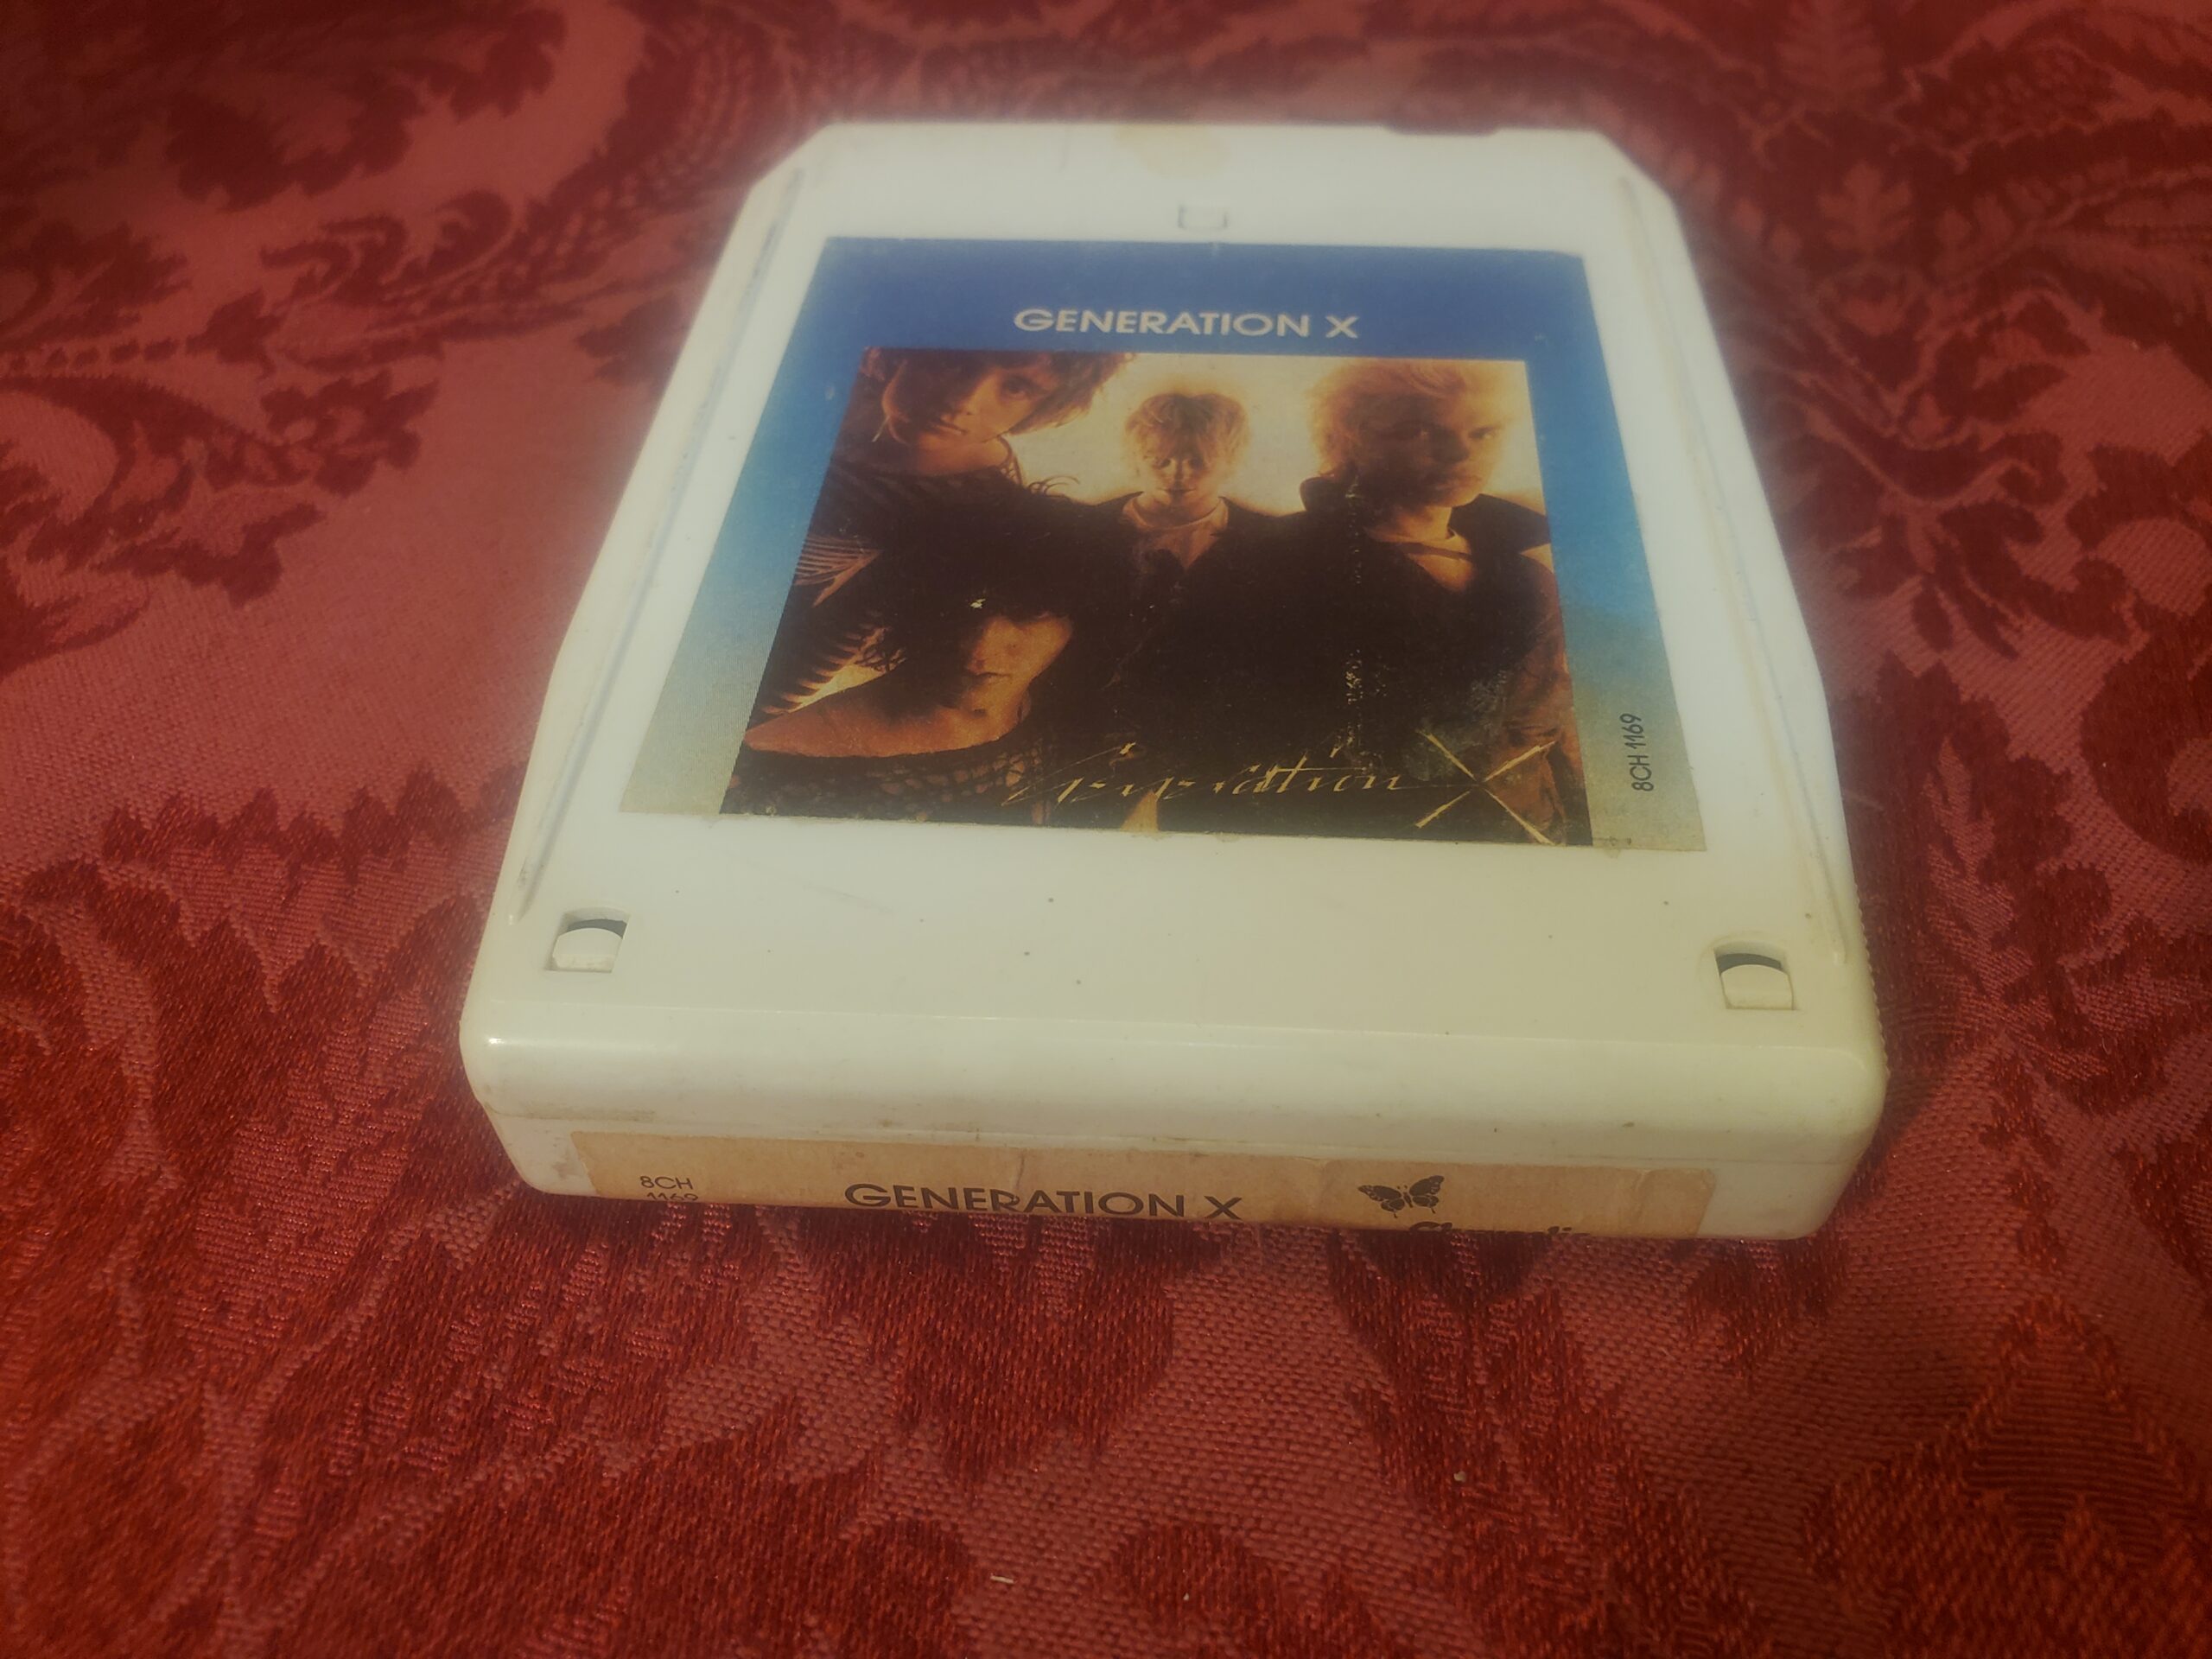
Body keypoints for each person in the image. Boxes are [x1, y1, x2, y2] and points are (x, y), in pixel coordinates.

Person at [1268, 358, 1587, 843]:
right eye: (1418, 431)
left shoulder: (1528, 577)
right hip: (1359, 834)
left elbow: (1547, 729)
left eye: (1484, 432)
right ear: (1349, 437)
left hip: (1524, 834)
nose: (1460, 454)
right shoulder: (1282, 561)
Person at [750, 347, 1128, 720]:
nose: (962, 401)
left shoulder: (977, 496)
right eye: (952, 361)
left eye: (1016, 387)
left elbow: (858, 613)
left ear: (1044, 403)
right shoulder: (816, 390)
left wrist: (766, 707)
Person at [726, 505, 1122, 823]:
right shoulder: (775, 767)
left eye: (1028, 613)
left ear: (1076, 623)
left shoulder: (1060, 720)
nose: (979, 648)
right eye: (964, 609)